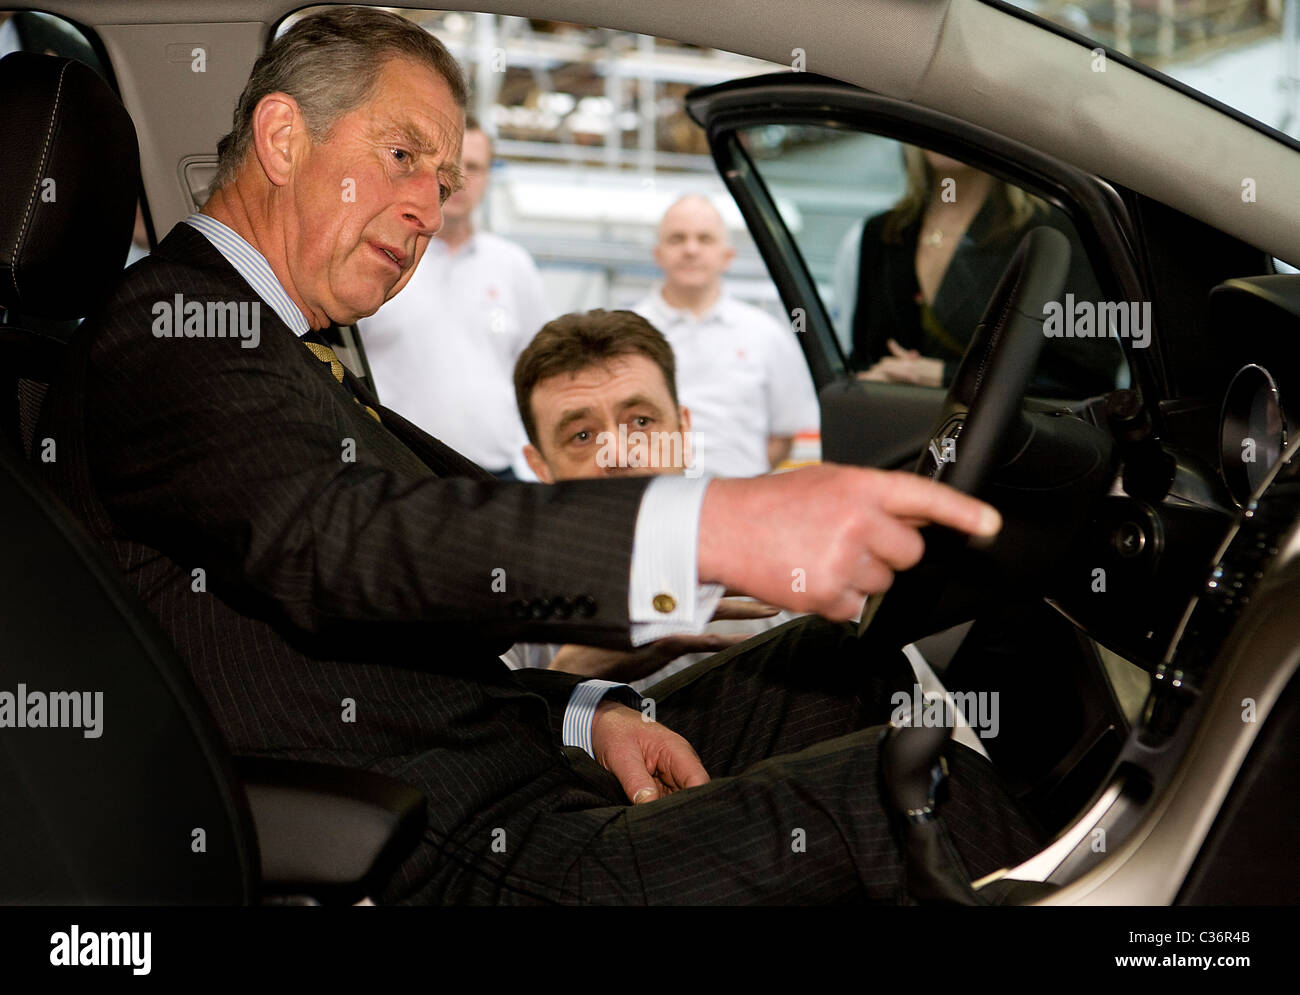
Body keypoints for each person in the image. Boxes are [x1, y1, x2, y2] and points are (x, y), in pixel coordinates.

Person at [41, 7, 1040, 904]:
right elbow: (341, 542)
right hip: (443, 842)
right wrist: (712, 524)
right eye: (402, 157)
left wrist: (582, 713)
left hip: (511, 767)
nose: (429, 210)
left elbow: (423, 570)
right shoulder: (172, 330)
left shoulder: (279, 341)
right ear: (282, 134)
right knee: (905, 790)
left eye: (442, 181)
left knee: (844, 660)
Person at [504, 308, 791, 690]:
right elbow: (482, 742)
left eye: (641, 422)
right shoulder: (504, 596)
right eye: (582, 436)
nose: (619, 454)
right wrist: (571, 672)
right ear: (540, 467)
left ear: (683, 433)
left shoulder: (779, 571)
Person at [842, 146, 1117, 398]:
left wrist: (943, 375)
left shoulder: (1051, 233)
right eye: (932, 103)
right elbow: (863, 357)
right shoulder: (884, 232)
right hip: (895, 436)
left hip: (1004, 445)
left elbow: (1087, 377)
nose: (942, 117)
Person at [358, 116, 548, 478]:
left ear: (489, 177)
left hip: (495, 476)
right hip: (400, 470)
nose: (461, 179)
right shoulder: (383, 257)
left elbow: (542, 372)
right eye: (452, 167)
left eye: (474, 167)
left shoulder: (513, 266)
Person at [634, 195, 820, 478]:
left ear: (728, 256)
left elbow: (783, 435)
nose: (691, 249)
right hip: (649, 497)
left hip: (740, 502)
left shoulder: (766, 335)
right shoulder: (626, 335)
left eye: (705, 239)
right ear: (657, 253)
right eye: (677, 239)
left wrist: (736, 485)